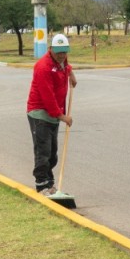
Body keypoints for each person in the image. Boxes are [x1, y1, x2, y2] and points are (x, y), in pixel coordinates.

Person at [26, 33, 77, 195]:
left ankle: (50, 185)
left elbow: (65, 65)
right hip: (40, 113)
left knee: (53, 154)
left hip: (54, 115)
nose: (62, 55)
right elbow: (47, 97)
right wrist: (63, 117)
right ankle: (42, 186)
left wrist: (71, 73)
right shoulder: (43, 67)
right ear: (50, 49)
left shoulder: (62, 62)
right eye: (58, 52)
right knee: (43, 152)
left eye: (64, 52)